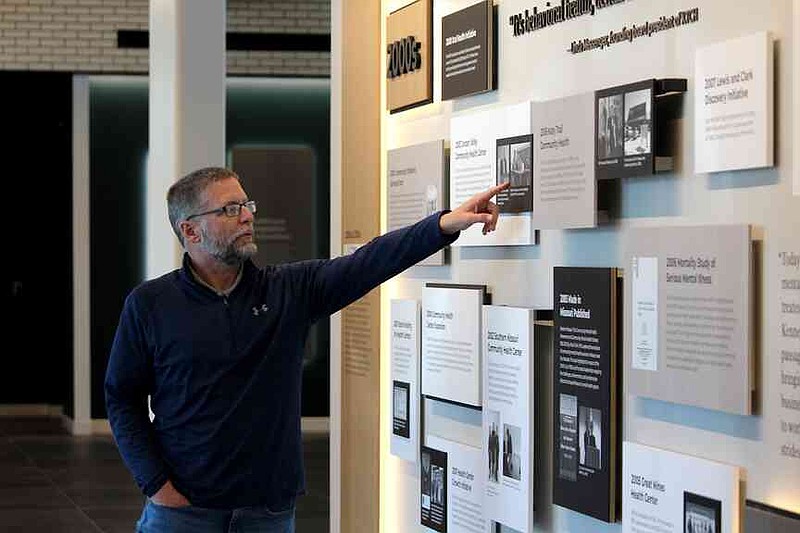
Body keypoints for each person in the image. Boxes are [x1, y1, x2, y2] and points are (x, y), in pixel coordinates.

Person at [105, 166, 509, 532]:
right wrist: (156, 484)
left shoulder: (289, 291)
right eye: (230, 210)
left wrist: (443, 225)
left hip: (267, 511)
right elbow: (122, 398)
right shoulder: (150, 304)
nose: (247, 216)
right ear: (190, 231)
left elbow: (369, 261)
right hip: (181, 512)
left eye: (246, 205)